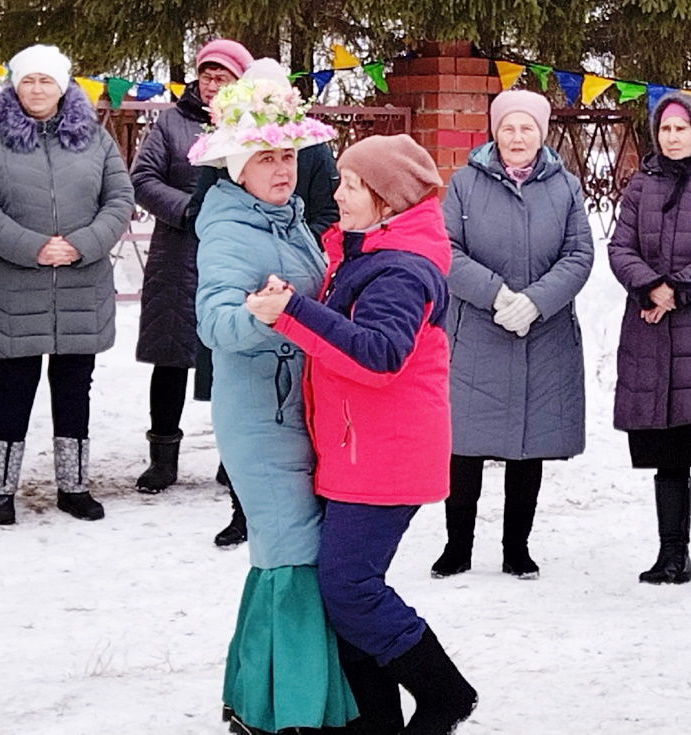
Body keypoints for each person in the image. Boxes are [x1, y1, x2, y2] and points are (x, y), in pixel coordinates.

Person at [246, 134, 478, 734]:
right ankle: (371, 721)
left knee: (349, 588)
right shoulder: (366, 253)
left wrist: (294, 311)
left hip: (387, 456)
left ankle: (445, 693)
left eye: (351, 184)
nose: (337, 192)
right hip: (356, 450)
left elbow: (380, 355)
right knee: (342, 592)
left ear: (388, 200)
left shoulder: (400, 269)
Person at [190, 61, 358, 733]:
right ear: (238, 165)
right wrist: (261, 317)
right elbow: (214, 324)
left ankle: (258, 697)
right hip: (260, 418)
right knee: (293, 553)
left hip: (298, 412)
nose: (282, 168)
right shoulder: (230, 228)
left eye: (288, 154)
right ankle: (296, 711)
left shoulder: (285, 219)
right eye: (266, 157)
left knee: (282, 553)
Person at [0, 44, 133, 525]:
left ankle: (74, 486)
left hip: (81, 283)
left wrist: (82, 243)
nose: (37, 89)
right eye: (28, 80)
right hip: (15, 284)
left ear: (63, 85)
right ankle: (0, 489)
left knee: (75, 387)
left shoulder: (95, 140)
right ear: (15, 86)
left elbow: (119, 197)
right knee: (14, 386)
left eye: (46, 80)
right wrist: (31, 246)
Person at [432, 89, 594, 580]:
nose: (517, 137)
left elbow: (579, 255)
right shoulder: (464, 184)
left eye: (527, 128)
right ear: (494, 132)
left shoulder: (564, 187)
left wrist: (536, 301)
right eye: (508, 128)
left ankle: (516, 548)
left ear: (541, 134)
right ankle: (456, 545)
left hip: (543, 333)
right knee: (465, 445)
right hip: (478, 328)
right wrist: (497, 296)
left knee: (530, 442)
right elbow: (446, 250)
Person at [608, 91, 691, 594]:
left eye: (682, 129)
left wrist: (675, 289)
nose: (673, 137)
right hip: (650, 330)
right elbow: (620, 246)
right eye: (665, 129)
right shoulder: (643, 183)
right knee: (666, 452)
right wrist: (649, 286)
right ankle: (672, 553)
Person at [131, 38, 251, 496]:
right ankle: (162, 458)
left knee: (233, 358)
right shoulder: (171, 123)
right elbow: (143, 179)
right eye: (206, 75)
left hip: (236, 255)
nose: (212, 84)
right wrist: (191, 212)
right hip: (179, 254)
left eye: (222, 77)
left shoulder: (252, 125)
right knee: (172, 358)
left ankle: (233, 457)